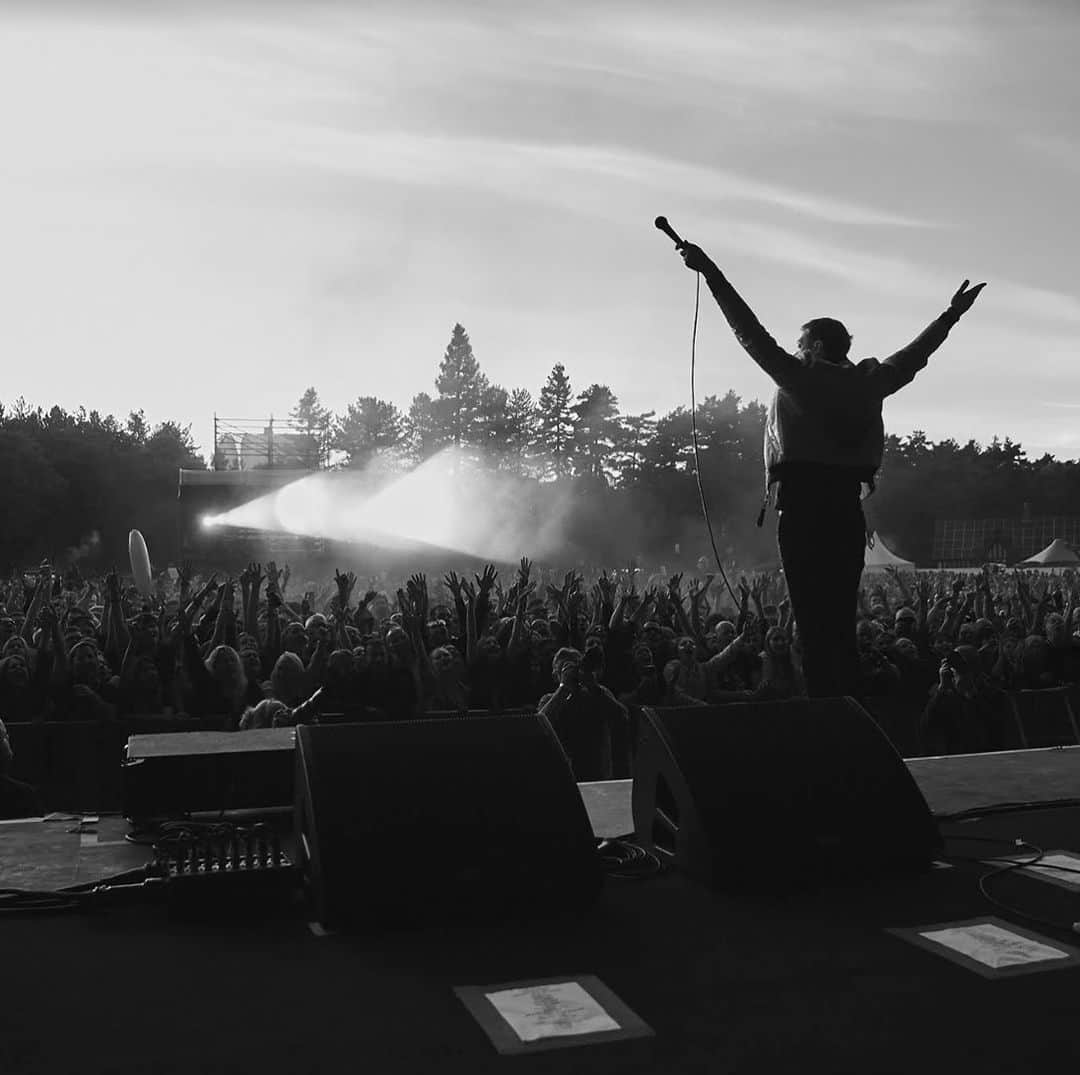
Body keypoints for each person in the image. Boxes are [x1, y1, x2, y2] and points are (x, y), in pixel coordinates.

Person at [677, 239, 985, 697]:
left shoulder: (799, 376)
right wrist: (949, 316)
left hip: (801, 509)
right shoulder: (872, 381)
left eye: (801, 344)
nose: (796, 350)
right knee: (841, 620)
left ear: (817, 347)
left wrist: (710, 272)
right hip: (845, 510)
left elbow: (748, 330)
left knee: (810, 618)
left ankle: (824, 712)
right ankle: (849, 709)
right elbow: (916, 355)